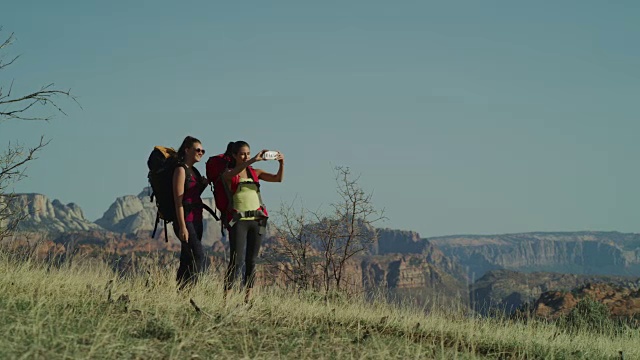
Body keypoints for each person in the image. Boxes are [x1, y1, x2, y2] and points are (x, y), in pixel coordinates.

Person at [222, 140, 284, 303]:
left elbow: (278, 179)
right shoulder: (229, 173)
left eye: (248, 153)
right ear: (234, 155)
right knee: (236, 261)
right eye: (242, 153)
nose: (246, 156)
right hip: (239, 221)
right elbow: (230, 175)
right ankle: (226, 300)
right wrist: (253, 160)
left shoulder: (256, 172)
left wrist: (281, 162)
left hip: (257, 221)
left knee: (252, 261)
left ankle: (247, 300)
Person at [172, 135, 208, 290]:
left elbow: (192, 195)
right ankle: (190, 292)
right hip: (186, 220)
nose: (200, 152)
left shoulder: (194, 171)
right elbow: (178, 201)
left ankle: (181, 293)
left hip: (197, 219)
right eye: (197, 150)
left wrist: (203, 185)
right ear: (187, 150)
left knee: (187, 258)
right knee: (198, 256)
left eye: (202, 150)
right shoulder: (181, 170)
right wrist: (182, 226)